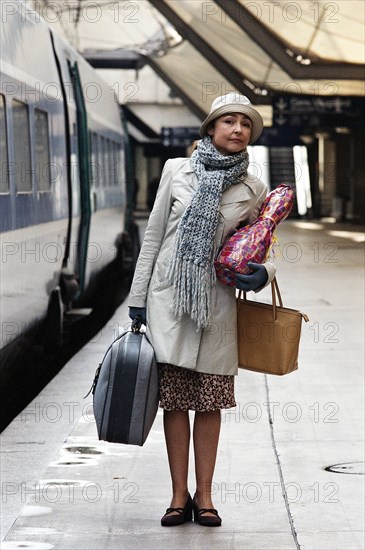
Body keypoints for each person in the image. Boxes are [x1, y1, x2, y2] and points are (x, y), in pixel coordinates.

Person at [128, 93, 276, 527]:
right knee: (174, 402)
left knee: (209, 403)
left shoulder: (254, 186)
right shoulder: (177, 171)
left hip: (216, 304)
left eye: (245, 124)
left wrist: (263, 272)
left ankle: (205, 497)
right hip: (170, 301)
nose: (237, 130)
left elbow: (265, 241)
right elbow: (153, 238)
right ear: (210, 129)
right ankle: (178, 497)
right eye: (228, 121)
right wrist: (137, 299)